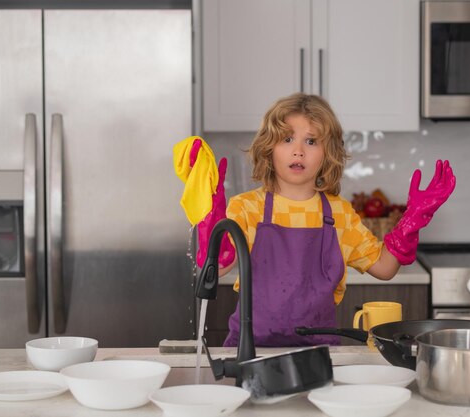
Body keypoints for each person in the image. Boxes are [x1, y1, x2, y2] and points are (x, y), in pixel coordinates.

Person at [194, 93, 456, 347]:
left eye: (311, 142)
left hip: (318, 355)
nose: (298, 151)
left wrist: (412, 220)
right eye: (286, 139)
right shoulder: (248, 207)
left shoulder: (339, 213)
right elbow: (216, 268)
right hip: (250, 351)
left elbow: (385, 268)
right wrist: (211, 217)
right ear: (269, 147)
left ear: (327, 153)